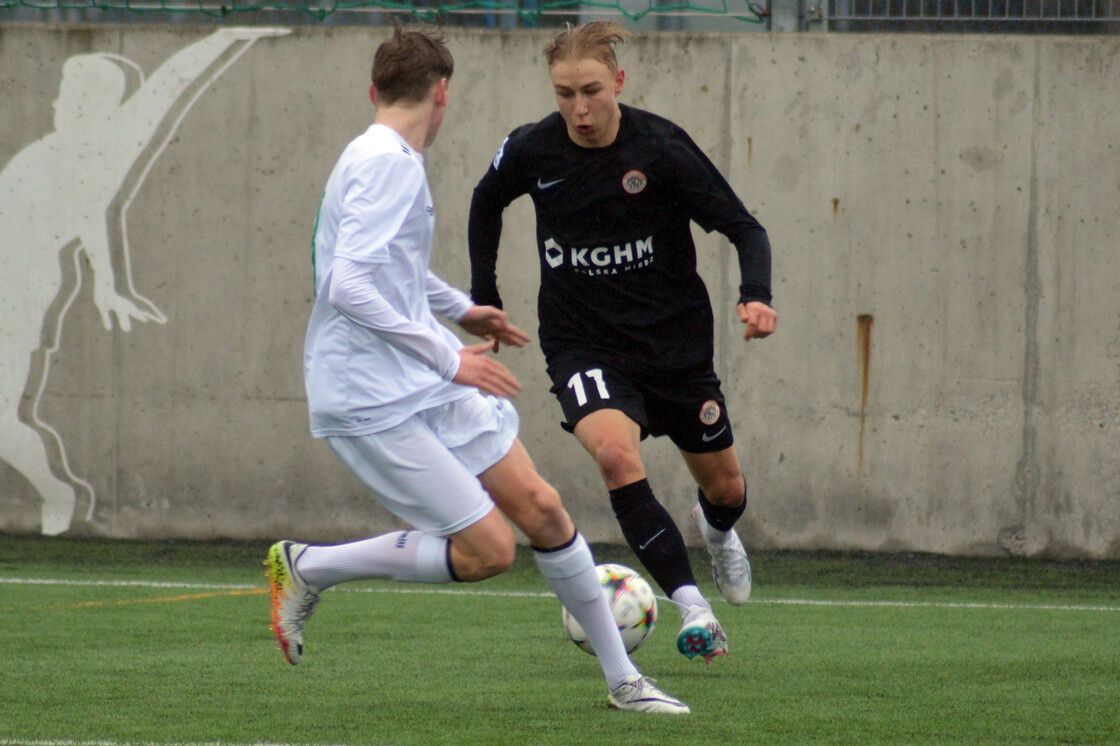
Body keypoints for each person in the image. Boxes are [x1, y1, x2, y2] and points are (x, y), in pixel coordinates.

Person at [266, 26, 689, 715]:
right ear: (442, 92)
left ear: (375, 91)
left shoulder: (380, 152)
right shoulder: (387, 163)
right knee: (488, 549)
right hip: (371, 393)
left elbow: (388, 270)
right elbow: (347, 287)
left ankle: (625, 683)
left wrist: (464, 309)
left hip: (419, 372)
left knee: (544, 508)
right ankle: (308, 566)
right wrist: (448, 358)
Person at [468, 21, 778, 665]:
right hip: (584, 343)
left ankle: (717, 533)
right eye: (563, 94)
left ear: (619, 82)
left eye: (591, 91)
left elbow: (743, 226)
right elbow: (485, 201)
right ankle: (693, 606)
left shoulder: (661, 148)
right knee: (614, 456)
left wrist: (757, 293)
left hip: (675, 346)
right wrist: (485, 296)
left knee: (726, 489)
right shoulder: (533, 150)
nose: (579, 110)